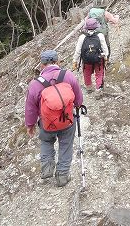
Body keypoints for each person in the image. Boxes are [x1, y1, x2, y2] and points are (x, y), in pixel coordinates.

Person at [24, 49, 83, 187]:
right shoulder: (67, 75)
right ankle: (62, 176)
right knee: (66, 144)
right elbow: (78, 98)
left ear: (42, 64)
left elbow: (30, 107)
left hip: (46, 122)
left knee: (46, 141)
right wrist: (78, 106)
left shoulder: (35, 84)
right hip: (67, 120)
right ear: (57, 61)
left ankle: (47, 167)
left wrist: (30, 125)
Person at [72, 17, 109, 91]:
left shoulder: (82, 37)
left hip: (86, 60)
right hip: (98, 59)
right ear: (96, 26)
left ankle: (89, 87)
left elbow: (78, 50)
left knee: (87, 73)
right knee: (99, 73)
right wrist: (106, 56)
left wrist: (75, 60)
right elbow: (105, 48)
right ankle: (99, 89)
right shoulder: (100, 35)